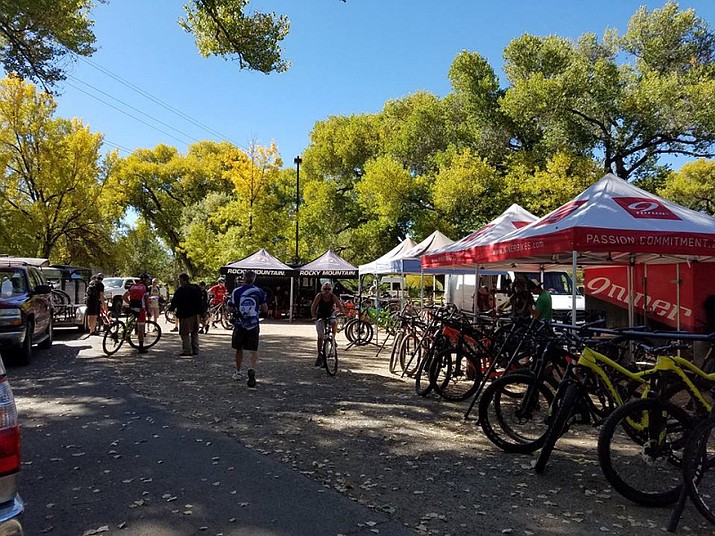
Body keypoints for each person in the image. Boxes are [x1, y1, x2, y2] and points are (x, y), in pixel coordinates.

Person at [227, 270, 267, 387]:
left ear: (243, 278)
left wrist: (236, 310)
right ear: (254, 279)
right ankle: (252, 369)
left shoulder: (236, 291)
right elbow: (264, 308)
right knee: (253, 349)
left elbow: (230, 307)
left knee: (238, 348)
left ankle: (238, 371)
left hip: (240, 324)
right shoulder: (259, 291)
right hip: (254, 324)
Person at [310, 282, 347, 366]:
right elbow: (313, 307)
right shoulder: (319, 296)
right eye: (325, 289)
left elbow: (339, 305)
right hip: (320, 316)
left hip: (330, 315)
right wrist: (313, 316)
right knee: (320, 336)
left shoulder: (333, 296)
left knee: (334, 322)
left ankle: (333, 337)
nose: (327, 291)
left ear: (331, 290)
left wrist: (342, 312)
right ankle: (319, 354)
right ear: (322, 289)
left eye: (329, 289)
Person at [169, 273, 203, 356]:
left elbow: (175, 300)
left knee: (184, 333)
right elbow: (201, 300)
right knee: (194, 332)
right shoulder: (196, 288)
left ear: (183, 280)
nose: (179, 282)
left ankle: (187, 350)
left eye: (180, 280)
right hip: (196, 313)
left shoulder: (181, 289)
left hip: (185, 314)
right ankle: (196, 349)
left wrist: (171, 308)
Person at [123, 273, 151, 353]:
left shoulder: (133, 286)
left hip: (132, 308)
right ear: (145, 280)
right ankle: (141, 347)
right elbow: (146, 301)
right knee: (141, 329)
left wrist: (130, 303)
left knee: (131, 323)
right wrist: (148, 311)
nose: (149, 281)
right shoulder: (145, 287)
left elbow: (124, 297)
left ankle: (125, 334)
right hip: (141, 309)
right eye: (148, 280)